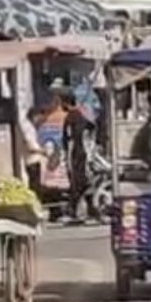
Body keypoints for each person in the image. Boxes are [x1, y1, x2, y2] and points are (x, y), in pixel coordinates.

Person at [62, 94, 94, 222]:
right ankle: (88, 209)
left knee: (76, 182)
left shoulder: (71, 117)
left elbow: (69, 138)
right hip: (84, 151)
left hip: (76, 152)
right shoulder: (82, 116)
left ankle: (76, 211)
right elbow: (91, 129)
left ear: (66, 103)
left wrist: (67, 155)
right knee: (83, 181)